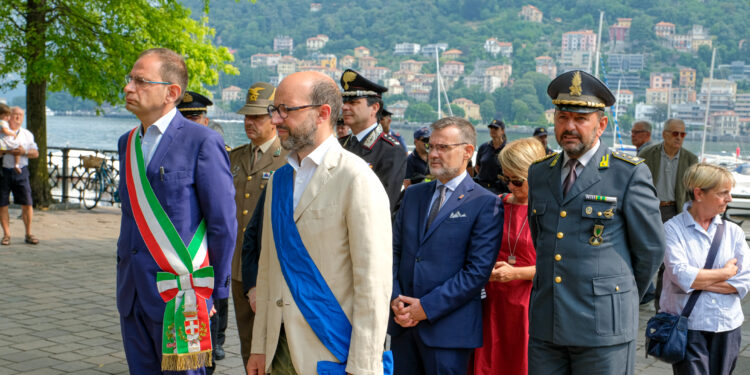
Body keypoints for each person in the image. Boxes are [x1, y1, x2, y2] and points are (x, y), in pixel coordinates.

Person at [246, 71, 392, 375]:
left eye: (286, 110)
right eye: (275, 110)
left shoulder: (357, 178)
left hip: (330, 348)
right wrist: (259, 347)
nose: (275, 120)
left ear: (322, 113)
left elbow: (373, 285)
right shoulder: (280, 180)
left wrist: (363, 366)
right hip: (278, 350)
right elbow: (268, 269)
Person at [527, 70, 665, 375]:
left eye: (580, 119)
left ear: (601, 124)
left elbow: (651, 249)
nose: (569, 127)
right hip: (547, 323)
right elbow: (543, 239)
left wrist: (619, 295)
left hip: (603, 325)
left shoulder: (626, 174)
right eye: (563, 117)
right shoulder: (539, 173)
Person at [117, 48, 236, 374]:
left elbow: (222, 223)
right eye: (129, 79)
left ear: (171, 92)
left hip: (183, 294)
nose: (128, 88)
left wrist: (215, 293)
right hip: (132, 291)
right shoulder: (126, 143)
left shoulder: (202, 141)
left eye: (140, 81)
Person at [390, 117, 503, 375]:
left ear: (467, 152)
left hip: (448, 331)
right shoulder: (414, 195)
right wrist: (395, 298)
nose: (434, 154)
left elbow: (476, 273)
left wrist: (425, 308)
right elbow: (393, 252)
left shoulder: (485, 203)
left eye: (443, 148)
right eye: (432, 146)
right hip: (403, 325)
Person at [661, 163, 750, 375]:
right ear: (699, 193)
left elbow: (744, 281)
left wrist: (698, 280)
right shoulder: (671, 229)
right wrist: (726, 274)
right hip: (688, 327)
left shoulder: (734, 232)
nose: (729, 199)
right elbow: (681, 275)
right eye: (723, 193)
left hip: (727, 326)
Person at [472, 137, 544, 375]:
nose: (511, 186)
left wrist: (516, 273)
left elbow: (563, 266)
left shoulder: (549, 212)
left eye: (517, 181)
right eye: (506, 179)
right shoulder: (498, 204)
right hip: (493, 299)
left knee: (520, 363)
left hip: (528, 302)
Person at [228, 81, 288, 369]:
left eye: (257, 117)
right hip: (239, 264)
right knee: (248, 340)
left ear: (274, 118)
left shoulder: (288, 158)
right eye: (246, 116)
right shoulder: (234, 157)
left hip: (273, 265)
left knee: (274, 341)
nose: (249, 123)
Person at [640, 118, 698, 310]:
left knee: (670, 262)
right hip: (651, 211)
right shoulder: (648, 154)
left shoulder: (690, 159)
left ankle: (661, 308)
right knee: (646, 256)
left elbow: (694, 191)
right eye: (675, 133)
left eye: (683, 134)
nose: (679, 138)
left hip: (676, 211)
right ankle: (637, 298)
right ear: (664, 134)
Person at [338, 69, 407, 212]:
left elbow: (385, 203)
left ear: (374, 108)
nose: (344, 107)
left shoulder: (391, 150)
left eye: (353, 102)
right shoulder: (339, 145)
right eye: (344, 102)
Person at [0, 106, 39, 245]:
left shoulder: (27, 134)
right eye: (15, 114)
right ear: (8, 116)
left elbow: (35, 153)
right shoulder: (1, 131)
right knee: (2, 204)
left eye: (20, 115)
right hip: (3, 171)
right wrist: (7, 152)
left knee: (27, 203)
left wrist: (23, 152)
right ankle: (6, 235)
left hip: (21, 170)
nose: (17, 117)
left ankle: (28, 233)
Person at [474, 119, 509, 194]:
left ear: (502, 131)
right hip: (482, 186)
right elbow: (477, 167)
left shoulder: (508, 149)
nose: (493, 130)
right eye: (491, 128)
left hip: (499, 189)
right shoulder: (484, 147)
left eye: (496, 128)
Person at [0, 104, 22, 174]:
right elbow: (5, 131)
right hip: (5, 141)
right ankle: (17, 164)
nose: (8, 118)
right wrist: (13, 134)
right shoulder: (2, 122)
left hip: (3, 141)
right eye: (6, 116)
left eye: (9, 116)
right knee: (18, 148)